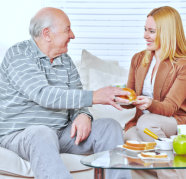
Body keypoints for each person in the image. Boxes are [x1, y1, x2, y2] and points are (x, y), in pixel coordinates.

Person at [0, 7, 132, 179]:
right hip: (21, 134)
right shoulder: (18, 54)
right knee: (42, 133)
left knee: (109, 127)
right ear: (47, 34)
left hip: (62, 132)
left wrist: (83, 114)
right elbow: (43, 94)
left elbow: (76, 95)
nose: (73, 35)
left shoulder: (65, 60)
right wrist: (94, 97)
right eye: (67, 29)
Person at [122, 6, 186, 179]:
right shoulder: (138, 59)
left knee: (147, 121)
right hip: (143, 123)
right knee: (132, 137)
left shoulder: (182, 64)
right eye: (145, 29)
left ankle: (172, 176)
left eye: (151, 31)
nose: (145, 35)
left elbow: (170, 107)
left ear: (167, 33)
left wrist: (150, 104)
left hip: (175, 121)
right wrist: (122, 97)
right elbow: (131, 96)